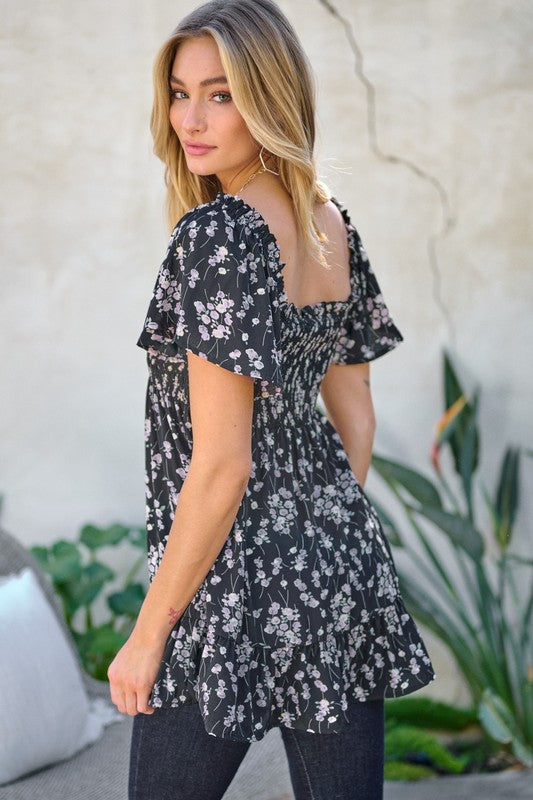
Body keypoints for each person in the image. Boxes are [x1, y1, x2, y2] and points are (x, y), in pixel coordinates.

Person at [107, 1, 436, 797]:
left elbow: (222, 464)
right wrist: (318, 531)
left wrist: (147, 635)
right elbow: (353, 402)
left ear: (271, 96)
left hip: (225, 578)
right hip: (334, 561)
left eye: (220, 93)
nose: (191, 117)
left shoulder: (218, 235)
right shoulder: (329, 222)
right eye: (180, 92)